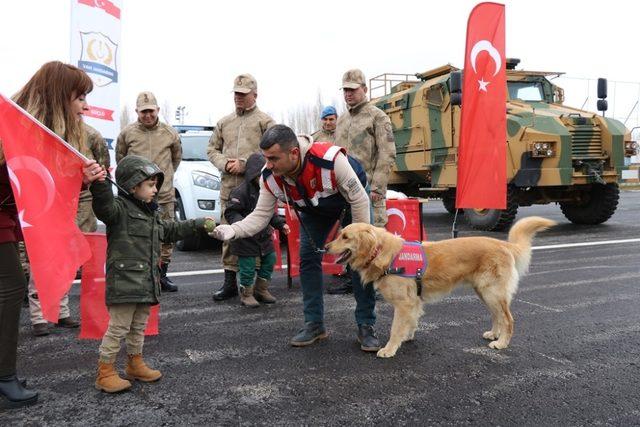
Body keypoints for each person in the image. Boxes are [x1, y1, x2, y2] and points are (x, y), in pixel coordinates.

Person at [212, 125, 381, 353]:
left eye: (274, 158)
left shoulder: (331, 160)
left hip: (351, 201)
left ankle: (366, 324)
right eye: (266, 158)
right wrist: (233, 230)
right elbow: (261, 216)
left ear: (293, 153)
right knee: (308, 259)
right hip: (315, 209)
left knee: (360, 262)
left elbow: (359, 200)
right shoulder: (269, 176)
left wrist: (359, 244)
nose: (268, 165)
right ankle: (314, 324)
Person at [0, 60, 105, 408]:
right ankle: (3, 379)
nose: (85, 106)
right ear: (60, 97)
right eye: (79, 98)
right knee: (11, 287)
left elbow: (38, 185)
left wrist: (80, 177)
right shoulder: (12, 125)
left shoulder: (35, 130)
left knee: (10, 288)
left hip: (6, 219)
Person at [89, 154, 215, 393]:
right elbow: (104, 207)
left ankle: (134, 363)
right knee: (118, 328)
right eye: (150, 185)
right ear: (132, 186)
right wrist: (100, 183)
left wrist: (197, 223)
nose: (155, 189)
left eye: (155, 184)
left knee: (138, 326)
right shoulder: (119, 210)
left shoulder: (151, 212)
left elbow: (169, 230)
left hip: (146, 282)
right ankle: (105, 372)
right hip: (124, 283)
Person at [27, 123, 111, 336]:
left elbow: (102, 167)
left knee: (66, 260)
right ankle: (39, 318)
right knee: (41, 261)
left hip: (74, 204)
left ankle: (61, 312)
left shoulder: (90, 134)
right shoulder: (42, 132)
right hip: (43, 203)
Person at [207, 74, 275, 301]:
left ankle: (257, 286)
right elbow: (211, 149)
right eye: (236, 93)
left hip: (258, 193)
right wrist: (224, 163)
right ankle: (229, 283)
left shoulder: (265, 122)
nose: (238, 97)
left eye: (243, 94)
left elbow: (275, 152)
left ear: (254, 95)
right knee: (228, 234)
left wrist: (247, 164)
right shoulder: (224, 122)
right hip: (230, 189)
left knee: (259, 236)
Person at [330, 69, 397, 295]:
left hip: (369, 190)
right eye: (345, 90)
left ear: (364, 90)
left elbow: (387, 153)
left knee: (374, 237)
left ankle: (379, 285)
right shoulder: (342, 120)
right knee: (349, 237)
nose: (348, 94)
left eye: (353, 89)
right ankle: (354, 281)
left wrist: (378, 187)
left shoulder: (377, 117)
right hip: (345, 192)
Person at [116, 91, 182, 292]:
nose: (148, 115)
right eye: (143, 112)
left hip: (164, 195)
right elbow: (121, 161)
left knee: (166, 235)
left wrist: (164, 180)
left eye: (151, 111)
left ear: (158, 110)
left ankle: (162, 276)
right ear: (137, 111)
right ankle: (140, 276)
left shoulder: (170, 133)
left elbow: (176, 159)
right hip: (135, 198)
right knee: (136, 236)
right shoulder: (127, 134)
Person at [224, 153, 289, 307]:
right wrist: (241, 225)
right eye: (259, 175)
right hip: (245, 238)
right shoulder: (240, 192)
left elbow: (269, 213)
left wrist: (281, 224)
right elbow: (231, 212)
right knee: (247, 268)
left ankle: (261, 289)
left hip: (263, 236)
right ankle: (246, 294)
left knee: (270, 260)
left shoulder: (266, 189)